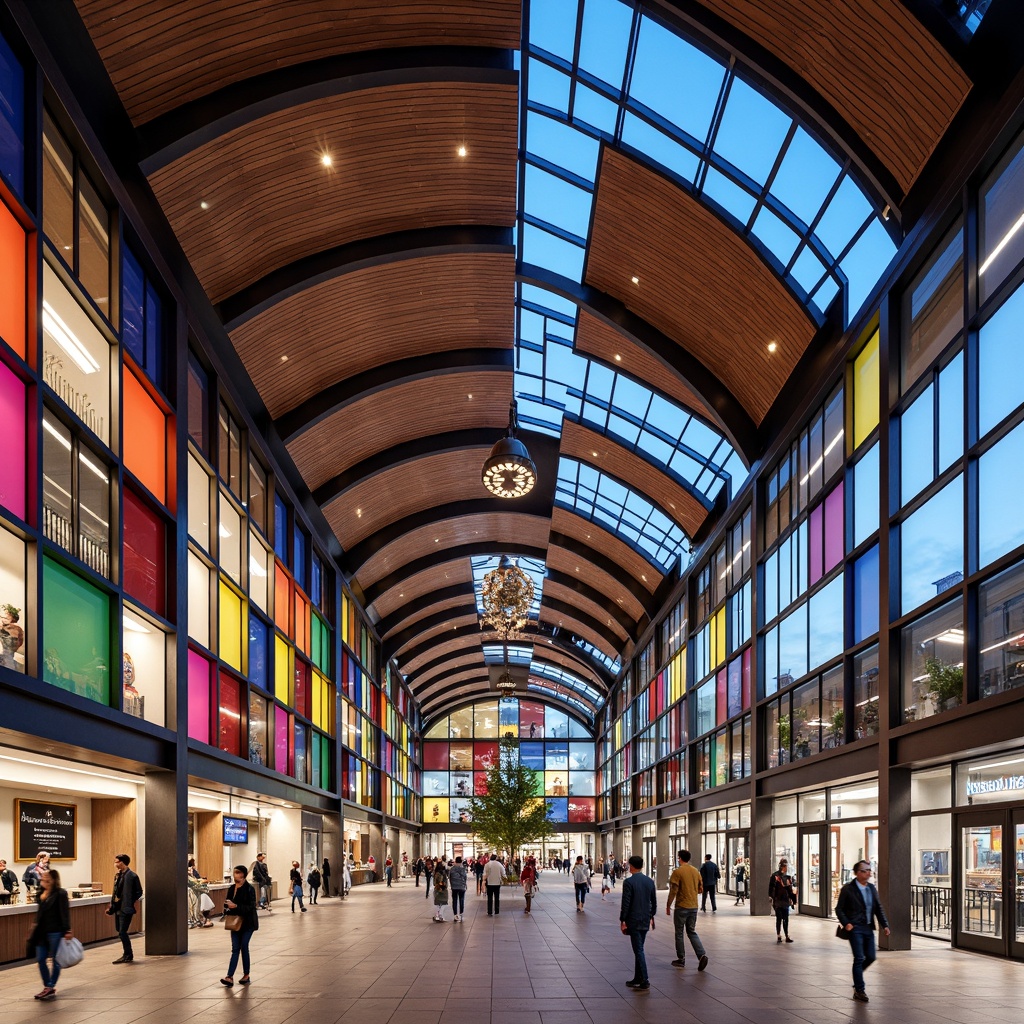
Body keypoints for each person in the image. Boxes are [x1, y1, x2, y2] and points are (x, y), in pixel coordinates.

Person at [835, 860, 890, 1004]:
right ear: (857, 873)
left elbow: (878, 908)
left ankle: (857, 976)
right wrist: (846, 923)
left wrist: (885, 925)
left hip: (867, 927)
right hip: (855, 928)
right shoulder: (848, 889)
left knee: (871, 957)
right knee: (859, 958)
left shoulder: (871, 888)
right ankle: (859, 989)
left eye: (869, 870)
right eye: (865, 870)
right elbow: (839, 909)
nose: (868, 873)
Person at [31, 867, 72, 1001]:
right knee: (41, 959)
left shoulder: (60, 893)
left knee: (56, 959)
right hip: (41, 932)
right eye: (43, 877)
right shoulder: (41, 893)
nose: (43, 879)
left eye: (46, 877)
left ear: (53, 879)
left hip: (55, 931)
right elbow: (40, 913)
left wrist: (67, 930)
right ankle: (48, 985)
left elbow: (64, 913)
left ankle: (49, 986)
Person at [665, 850, 709, 971]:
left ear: (679, 858)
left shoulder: (677, 872)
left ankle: (681, 959)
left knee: (679, 933)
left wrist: (668, 905)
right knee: (691, 931)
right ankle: (701, 955)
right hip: (693, 906)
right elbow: (701, 889)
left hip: (681, 906)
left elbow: (673, 890)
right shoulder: (695, 871)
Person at [620, 855, 658, 990]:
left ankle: (645, 979)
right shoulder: (649, 881)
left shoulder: (628, 882)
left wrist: (623, 919)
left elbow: (626, 903)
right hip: (645, 919)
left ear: (631, 866)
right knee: (639, 948)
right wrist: (651, 915)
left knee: (638, 949)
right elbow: (653, 901)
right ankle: (638, 977)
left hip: (634, 920)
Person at [220, 864, 258, 987]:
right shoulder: (232, 888)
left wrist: (236, 906)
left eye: (237, 872)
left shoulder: (249, 889)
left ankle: (246, 974)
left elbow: (251, 907)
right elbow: (227, 902)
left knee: (244, 946)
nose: (235, 875)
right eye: (235, 872)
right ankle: (229, 976)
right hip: (235, 922)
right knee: (235, 948)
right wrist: (227, 906)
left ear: (243, 875)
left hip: (247, 923)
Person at [106, 854, 142, 964]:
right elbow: (115, 892)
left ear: (122, 862)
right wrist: (112, 906)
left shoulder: (132, 876)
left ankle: (128, 954)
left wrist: (130, 901)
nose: (115, 864)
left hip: (126, 908)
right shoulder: (118, 876)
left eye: (117, 862)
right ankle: (127, 954)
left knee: (122, 932)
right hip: (117, 908)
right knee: (119, 930)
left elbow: (139, 891)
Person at [768, 858, 797, 943]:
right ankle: (781, 935)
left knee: (783, 918)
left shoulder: (786, 877)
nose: (786, 868)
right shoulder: (776, 876)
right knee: (781, 918)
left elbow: (789, 890)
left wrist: (792, 900)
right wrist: (772, 898)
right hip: (779, 900)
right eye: (786, 866)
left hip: (783, 901)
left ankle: (784, 935)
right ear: (783, 866)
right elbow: (771, 889)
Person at [449, 855, 468, 921]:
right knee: (461, 899)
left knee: (454, 900)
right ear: (461, 861)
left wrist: (451, 885)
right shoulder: (463, 869)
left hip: (454, 886)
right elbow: (465, 877)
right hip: (461, 886)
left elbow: (449, 877)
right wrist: (465, 884)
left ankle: (455, 915)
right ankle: (461, 914)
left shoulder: (452, 868)